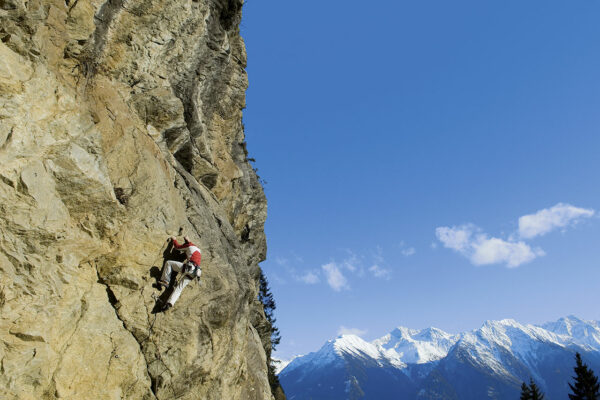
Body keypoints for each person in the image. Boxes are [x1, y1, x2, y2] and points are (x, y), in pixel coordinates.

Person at [159, 236, 202, 311]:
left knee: (169, 263)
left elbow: (177, 247)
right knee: (179, 288)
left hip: (189, 268)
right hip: (196, 273)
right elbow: (190, 255)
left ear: (187, 242)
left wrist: (174, 240)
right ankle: (169, 303)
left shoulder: (189, 245)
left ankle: (165, 281)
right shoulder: (198, 250)